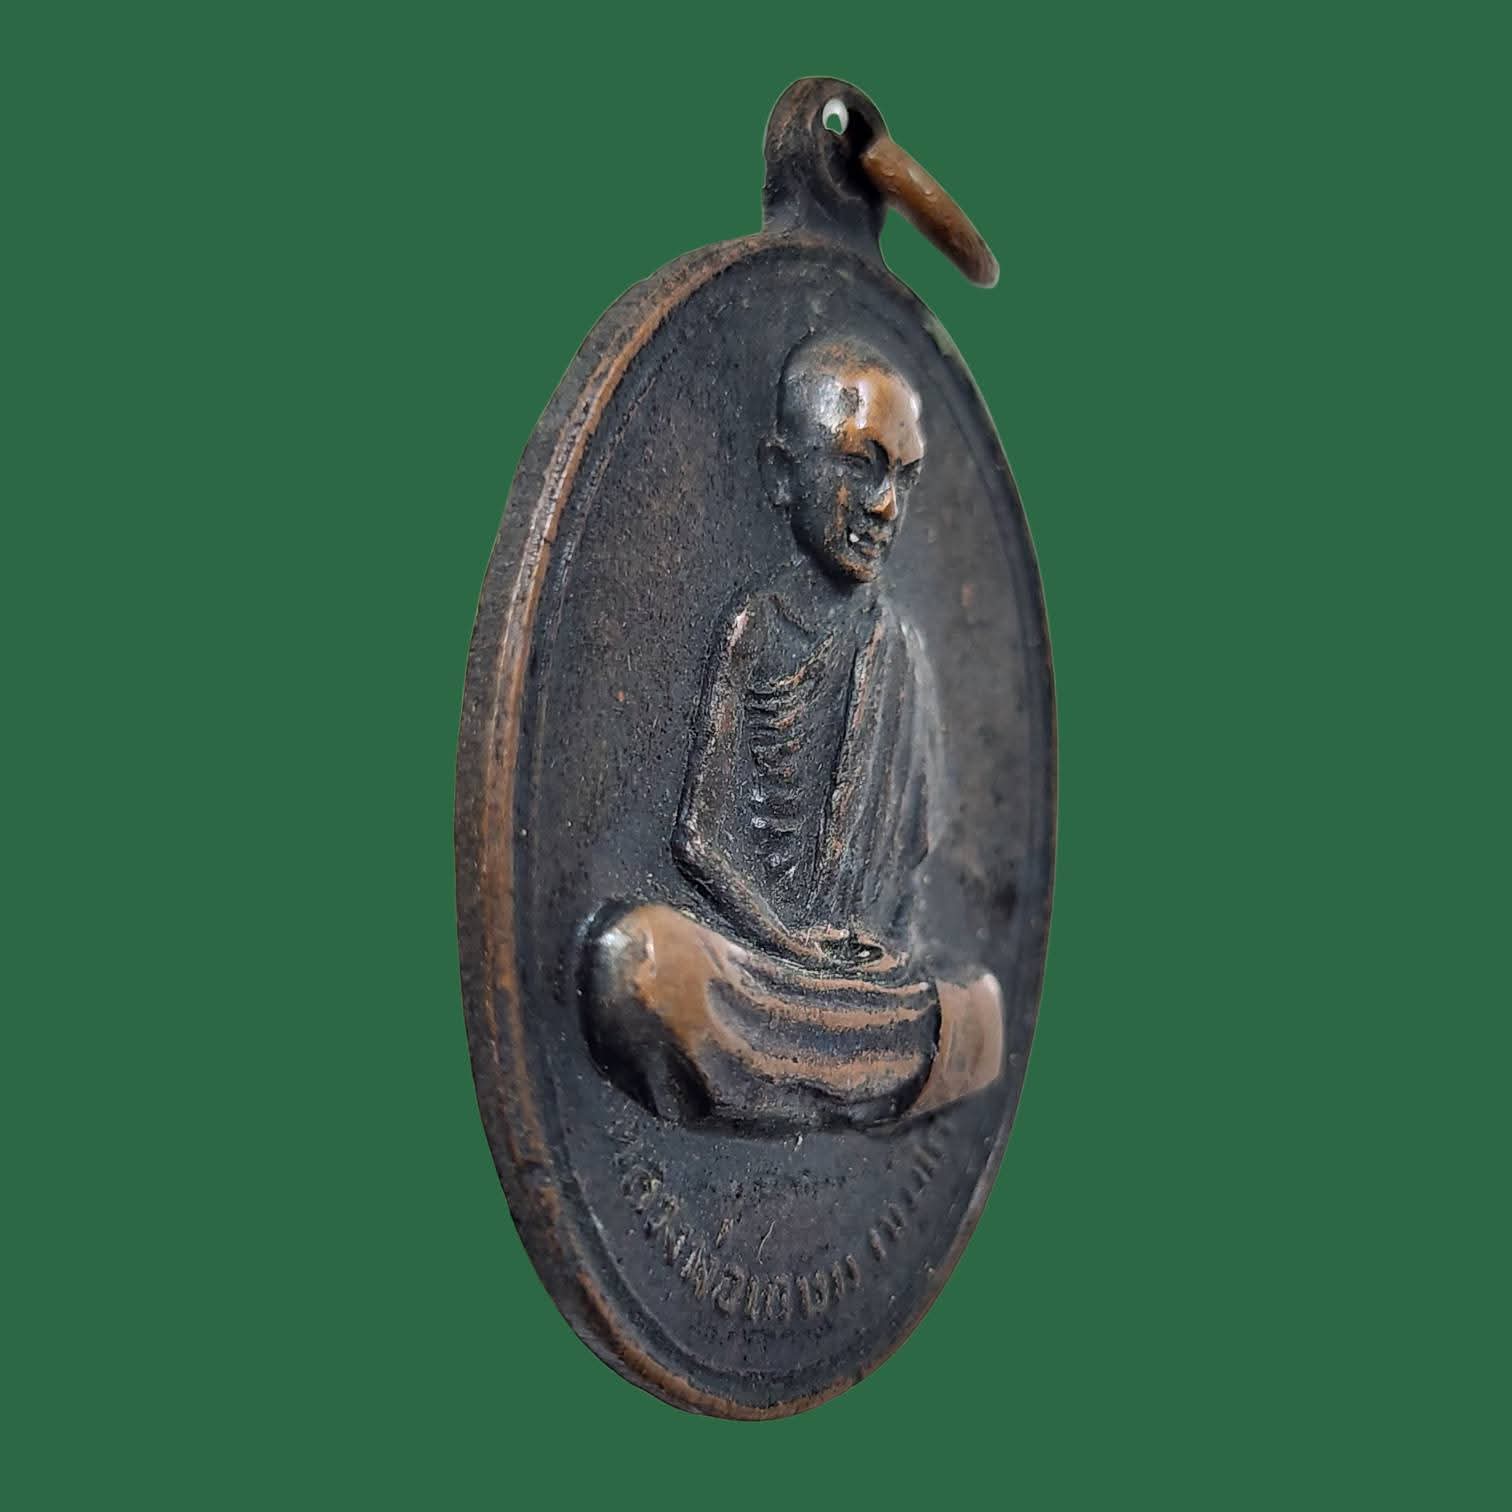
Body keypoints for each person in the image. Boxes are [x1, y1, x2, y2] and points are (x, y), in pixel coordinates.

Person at [585, 334, 1002, 1129]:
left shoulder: (903, 651)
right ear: (782, 474)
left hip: (857, 984)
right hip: (763, 962)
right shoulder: (756, 627)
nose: (885, 507)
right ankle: (846, 1082)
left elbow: (913, 869)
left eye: (904, 479)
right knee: (640, 962)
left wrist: (885, 955)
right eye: (860, 466)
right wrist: (792, 945)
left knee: (980, 1013)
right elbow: (698, 842)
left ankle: (795, 1080)